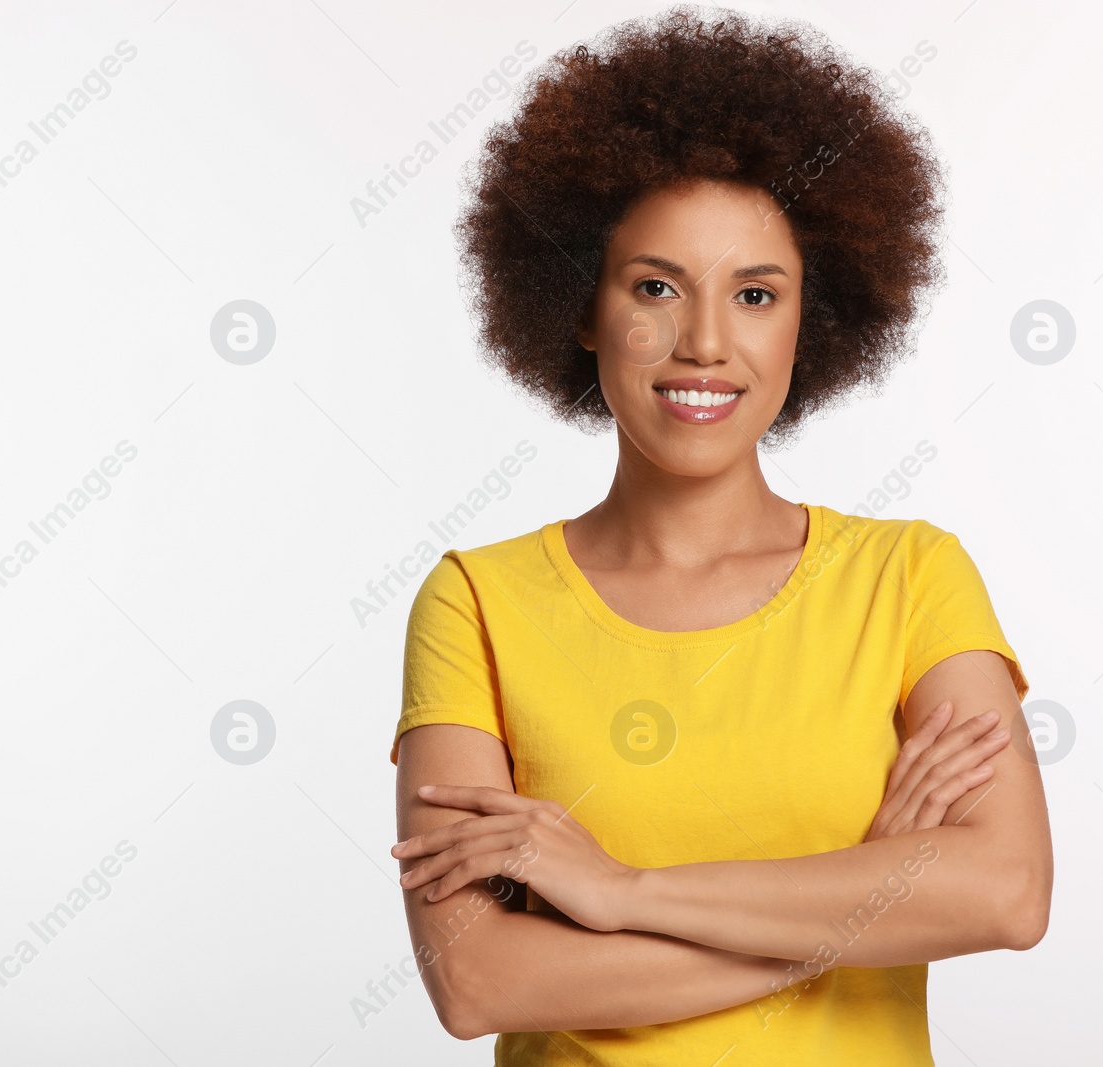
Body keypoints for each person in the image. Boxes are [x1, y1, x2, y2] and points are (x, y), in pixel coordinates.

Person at [386, 7, 1052, 1065]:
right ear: (580, 305)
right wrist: (857, 903)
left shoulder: (910, 578)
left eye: (754, 294)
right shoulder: (478, 601)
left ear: (811, 318)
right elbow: (478, 980)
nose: (703, 343)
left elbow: (1007, 892)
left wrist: (619, 894)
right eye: (654, 287)